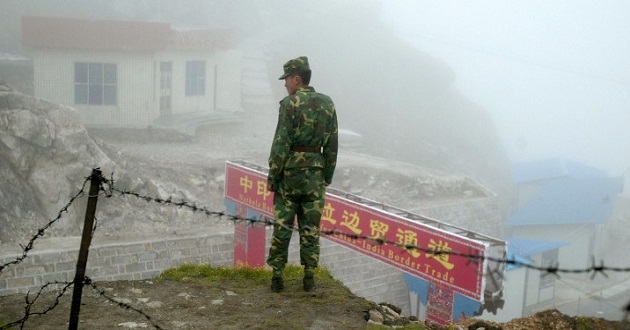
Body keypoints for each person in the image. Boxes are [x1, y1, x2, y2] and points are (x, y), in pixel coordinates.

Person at [266, 56, 338, 292]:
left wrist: (273, 176)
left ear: (297, 79)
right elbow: (332, 146)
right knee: (310, 228)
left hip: (290, 176)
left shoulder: (290, 104)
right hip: (315, 177)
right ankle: (309, 277)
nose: (285, 84)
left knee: (283, 226)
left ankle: (277, 277)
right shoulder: (328, 103)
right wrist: (326, 175)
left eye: (286, 79)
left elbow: (281, 144)